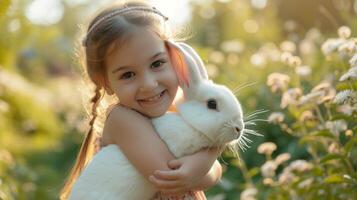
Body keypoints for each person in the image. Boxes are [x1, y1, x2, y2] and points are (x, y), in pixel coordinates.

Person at [60, 1, 222, 199]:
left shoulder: (178, 109)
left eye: (157, 63)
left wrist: (208, 159)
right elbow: (172, 177)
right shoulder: (123, 120)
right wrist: (214, 149)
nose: (149, 84)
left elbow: (212, 172)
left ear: (176, 58)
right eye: (128, 75)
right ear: (105, 82)